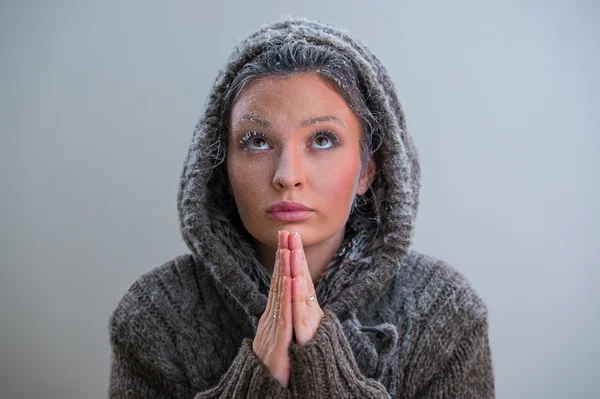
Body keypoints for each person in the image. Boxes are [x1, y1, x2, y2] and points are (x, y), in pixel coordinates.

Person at [108, 18, 495, 398]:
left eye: (323, 139)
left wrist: (326, 377)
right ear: (221, 168)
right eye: (257, 141)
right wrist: (255, 381)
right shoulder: (154, 314)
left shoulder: (444, 314)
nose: (287, 175)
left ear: (368, 170)